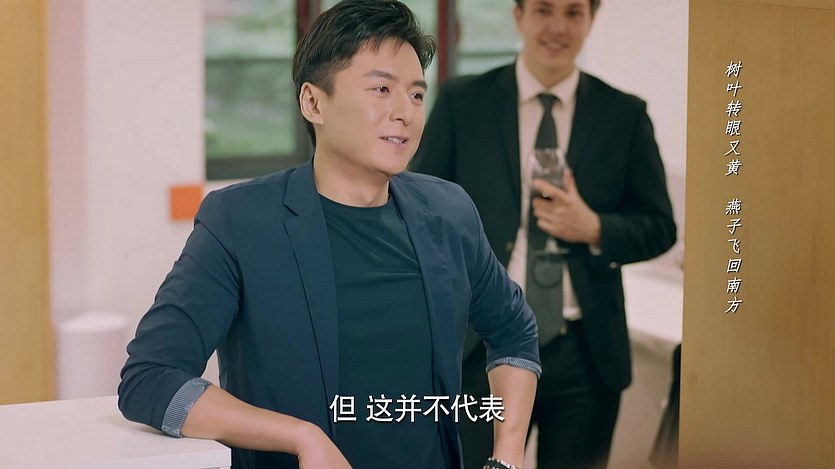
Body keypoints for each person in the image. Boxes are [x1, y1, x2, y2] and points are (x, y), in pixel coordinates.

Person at [118, 1, 541, 469]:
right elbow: (151, 378)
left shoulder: (449, 211)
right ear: (313, 102)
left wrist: (507, 456)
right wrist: (301, 437)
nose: (405, 111)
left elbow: (514, 332)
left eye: (417, 95)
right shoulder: (240, 222)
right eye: (382, 89)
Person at [411, 0, 677, 468]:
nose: (558, 26)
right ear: (519, 16)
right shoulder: (463, 101)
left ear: (592, 19)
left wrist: (595, 227)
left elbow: (660, 226)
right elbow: (419, 207)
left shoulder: (625, 115)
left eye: (574, 13)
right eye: (543, 10)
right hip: (480, 340)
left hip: (584, 353)